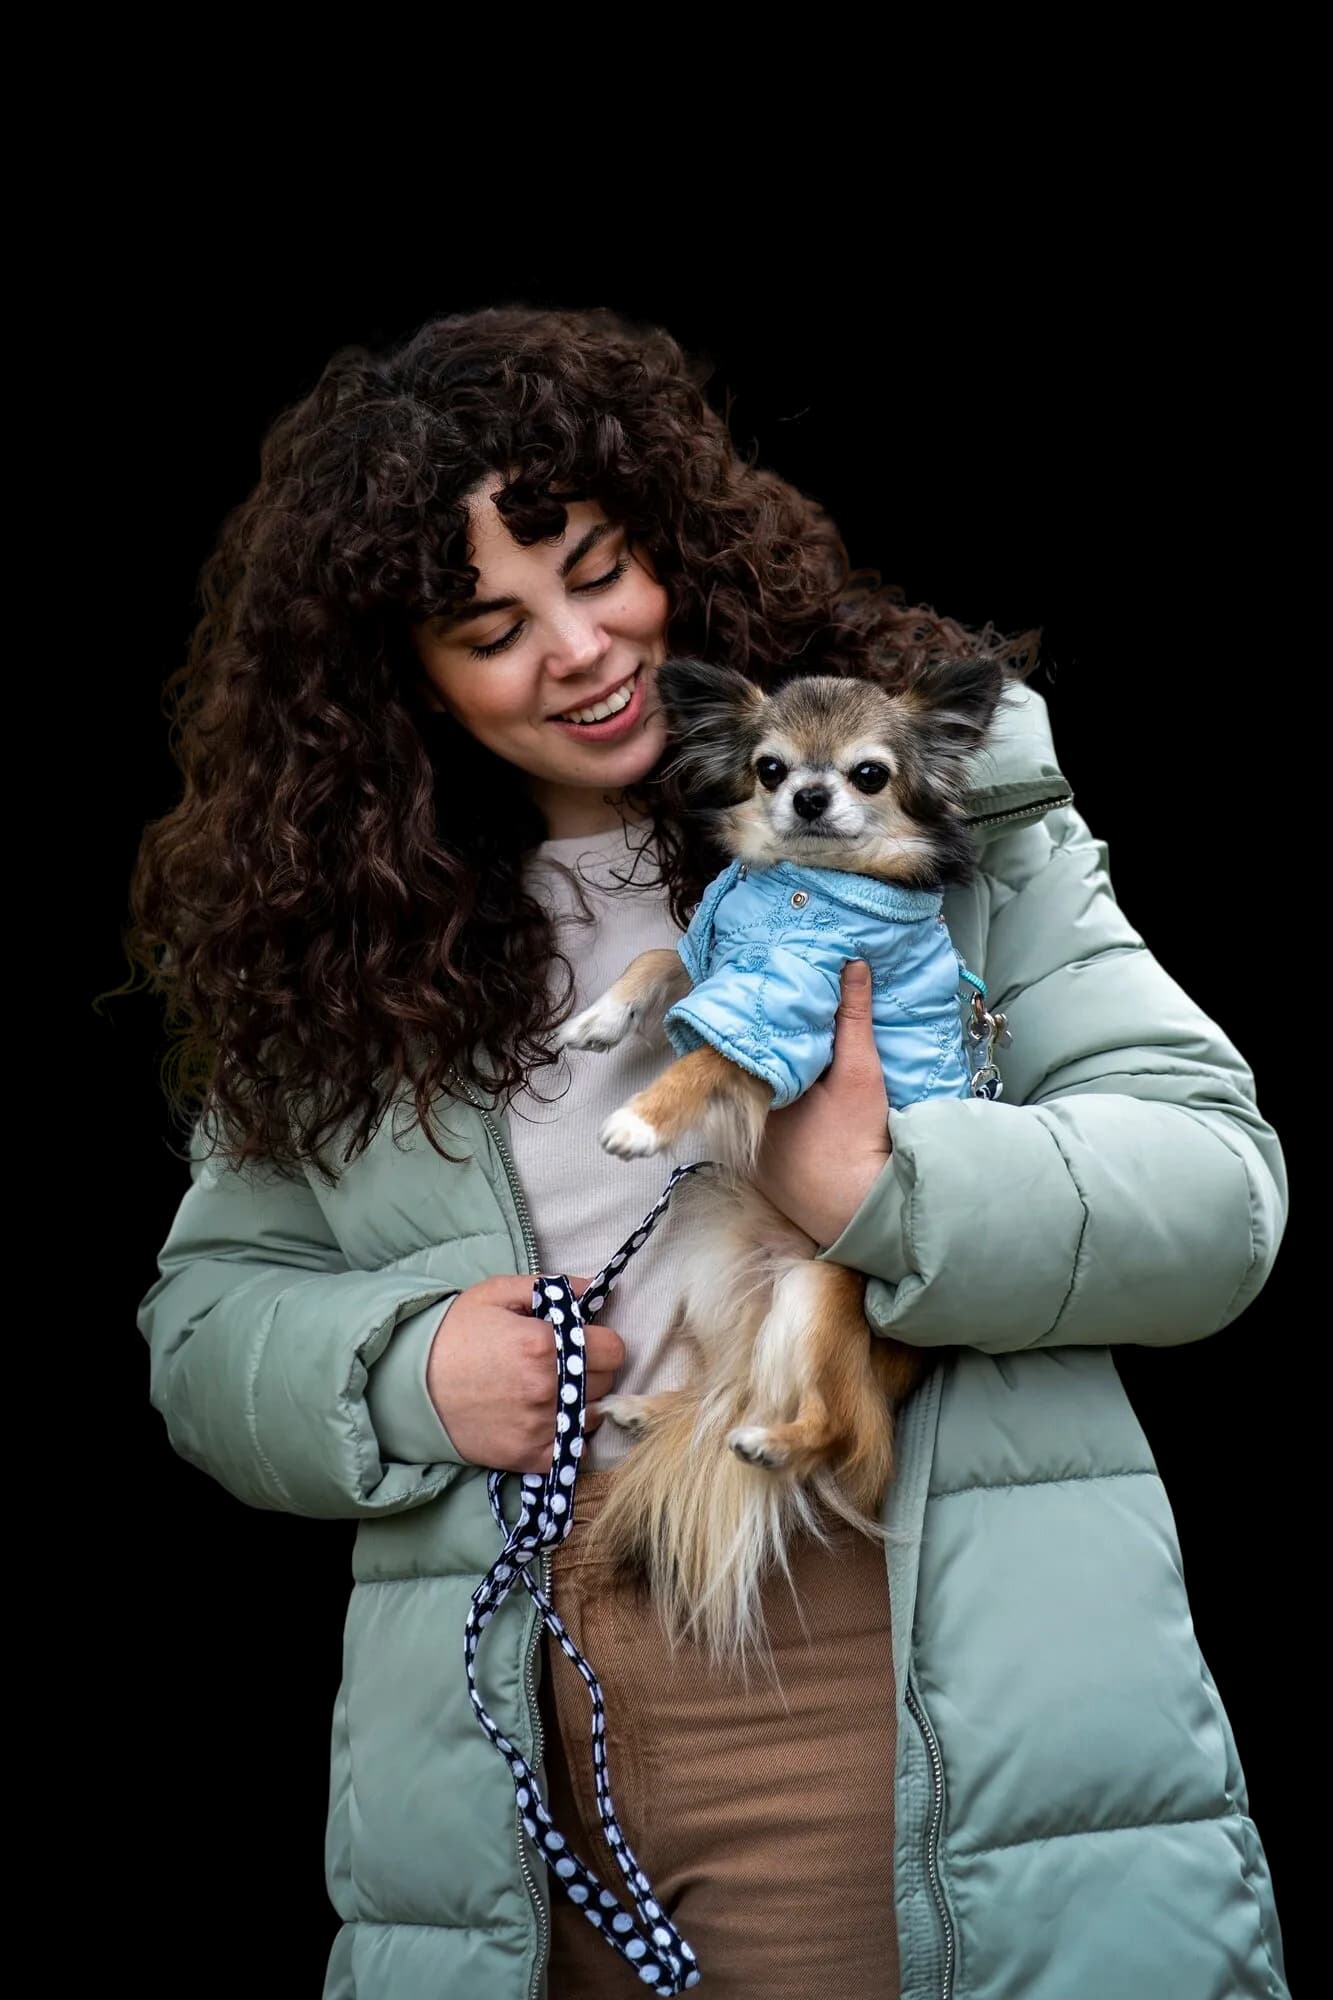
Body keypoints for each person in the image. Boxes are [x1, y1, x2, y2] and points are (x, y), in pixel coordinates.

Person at [127, 303, 1289, 2000]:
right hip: (488, 1732)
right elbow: (206, 1320)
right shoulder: (334, 947)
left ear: (671, 536)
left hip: (857, 1653)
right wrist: (402, 1369)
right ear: (402, 680)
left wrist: (877, 1195)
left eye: (597, 572)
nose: (577, 650)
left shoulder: (941, 814)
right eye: (488, 631)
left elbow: (1212, 1193)